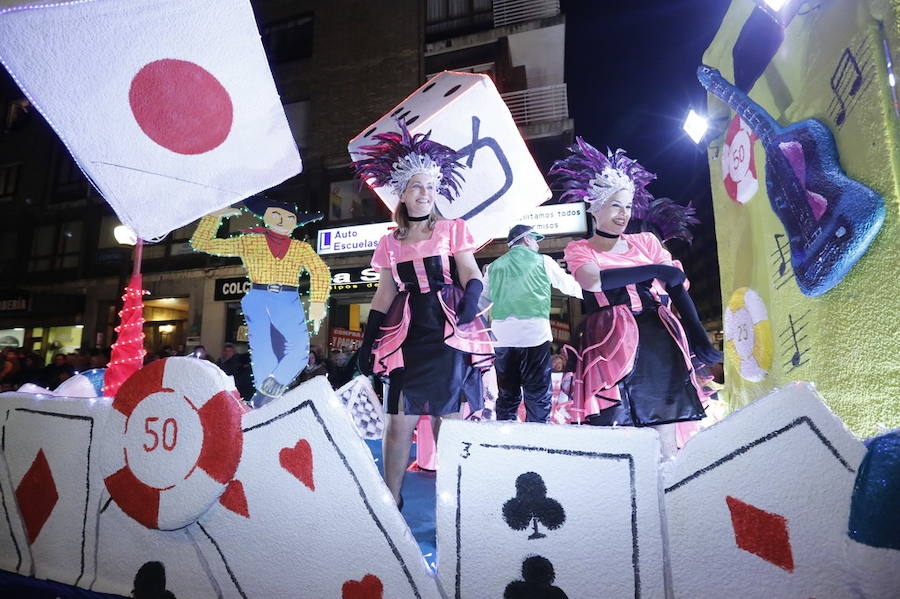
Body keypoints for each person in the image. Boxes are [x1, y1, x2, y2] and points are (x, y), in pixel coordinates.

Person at [549, 138, 722, 459]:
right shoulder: (580, 249)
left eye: (627, 206)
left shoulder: (645, 241)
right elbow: (593, 280)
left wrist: (697, 336)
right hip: (607, 341)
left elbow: (676, 286)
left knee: (665, 425)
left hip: (659, 336)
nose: (623, 213)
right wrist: (654, 269)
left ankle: (669, 495)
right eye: (615, 205)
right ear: (595, 206)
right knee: (615, 429)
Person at [353, 123, 492, 506]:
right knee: (397, 422)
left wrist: (472, 296)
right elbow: (385, 293)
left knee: (448, 423)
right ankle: (390, 501)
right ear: (402, 192)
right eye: (417, 186)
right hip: (406, 333)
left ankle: (458, 503)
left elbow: (469, 271)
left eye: (431, 187)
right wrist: (368, 340)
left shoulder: (452, 229)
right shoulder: (388, 242)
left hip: (448, 329)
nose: (425, 194)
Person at [191, 196, 330, 407]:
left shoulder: (301, 248)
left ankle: (269, 391)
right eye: (276, 215)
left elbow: (319, 270)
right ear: (265, 216)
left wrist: (318, 301)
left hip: (287, 298)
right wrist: (212, 217)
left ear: (295, 222)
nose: (282, 221)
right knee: (263, 350)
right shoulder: (250, 241)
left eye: (289, 217)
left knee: (300, 351)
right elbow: (202, 243)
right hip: (258, 297)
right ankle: (265, 403)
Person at [483, 224, 582, 423]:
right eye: (535, 240)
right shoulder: (543, 261)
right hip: (533, 334)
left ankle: (506, 434)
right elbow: (569, 285)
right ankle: (537, 436)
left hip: (501, 337)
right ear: (527, 239)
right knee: (537, 392)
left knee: (507, 391)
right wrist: (595, 288)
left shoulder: (493, 267)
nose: (537, 244)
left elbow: (482, 301)